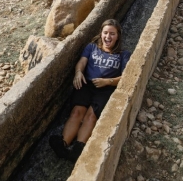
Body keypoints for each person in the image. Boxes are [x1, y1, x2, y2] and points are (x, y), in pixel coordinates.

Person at [49, 19, 131, 162]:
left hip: (105, 89)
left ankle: (78, 148)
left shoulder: (123, 55)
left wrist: (108, 81)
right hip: (86, 84)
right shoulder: (91, 48)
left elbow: (125, 77)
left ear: (118, 36)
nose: (108, 37)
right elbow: (82, 62)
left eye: (112, 34)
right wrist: (78, 73)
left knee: (91, 116)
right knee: (76, 112)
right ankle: (63, 144)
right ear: (101, 34)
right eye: (105, 33)